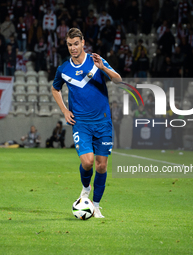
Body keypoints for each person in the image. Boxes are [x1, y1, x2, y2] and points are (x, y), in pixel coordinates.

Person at [51, 28, 121, 218]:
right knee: (88, 162)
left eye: (76, 44)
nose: (73, 48)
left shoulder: (96, 60)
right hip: (81, 122)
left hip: (103, 121)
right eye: (69, 45)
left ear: (83, 43)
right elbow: (55, 89)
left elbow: (118, 80)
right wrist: (65, 110)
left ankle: (96, 206)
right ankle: (85, 189)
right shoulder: (63, 69)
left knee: (101, 166)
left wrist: (103, 68)